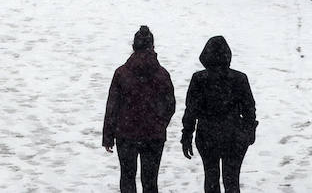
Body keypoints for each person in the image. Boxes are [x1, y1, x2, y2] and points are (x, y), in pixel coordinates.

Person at [103, 25, 176, 193]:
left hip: (126, 134)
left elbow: (112, 106)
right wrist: (159, 123)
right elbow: (170, 105)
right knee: (150, 181)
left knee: (127, 178)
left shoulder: (121, 73)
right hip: (153, 135)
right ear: (152, 47)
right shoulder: (162, 74)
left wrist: (108, 135)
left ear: (134, 46)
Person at [180, 36, 257, 193]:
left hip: (207, 136)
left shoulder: (199, 79)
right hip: (234, 137)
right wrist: (249, 130)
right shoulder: (239, 79)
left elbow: (191, 110)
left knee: (211, 178)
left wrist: (187, 134)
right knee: (232, 181)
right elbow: (249, 109)